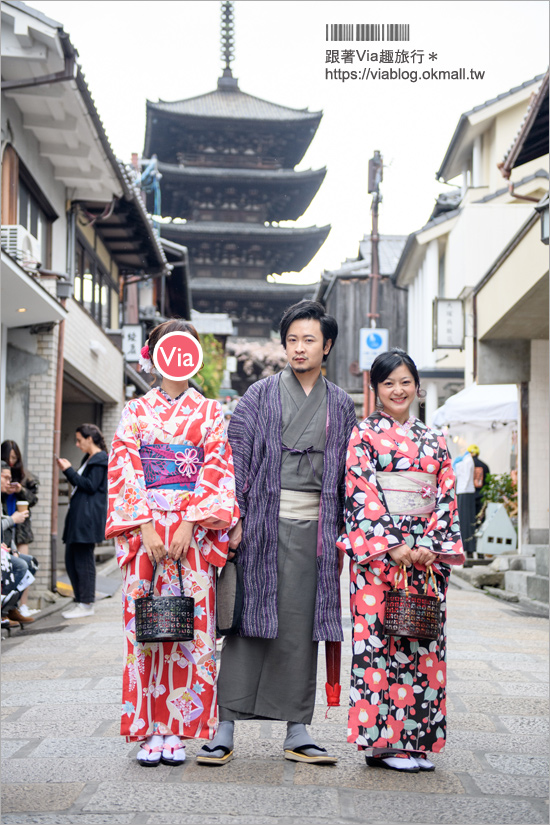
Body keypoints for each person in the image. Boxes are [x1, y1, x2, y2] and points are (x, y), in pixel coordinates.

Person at [197, 300, 357, 766]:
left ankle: (298, 728)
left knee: (300, 627)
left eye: (310, 340)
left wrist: (344, 536)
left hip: (316, 534)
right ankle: (224, 725)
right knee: (246, 625)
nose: (300, 348)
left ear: (326, 346)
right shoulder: (258, 396)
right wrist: (236, 519)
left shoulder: (341, 404)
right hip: (260, 528)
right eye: (292, 340)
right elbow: (234, 461)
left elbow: (350, 475)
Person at [105, 319, 239, 767]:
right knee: (147, 630)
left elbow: (217, 469)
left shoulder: (209, 413)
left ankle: (178, 729)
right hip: (144, 537)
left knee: (190, 633)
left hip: (192, 537)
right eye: (168, 347)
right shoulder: (134, 411)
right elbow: (124, 466)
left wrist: (188, 525)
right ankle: (149, 729)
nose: (177, 357)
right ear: (154, 353)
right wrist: (143, 526)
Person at [337, 348, 465, 773]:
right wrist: (391, 544)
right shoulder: (363, 435)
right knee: (379, 644)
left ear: (417, 386)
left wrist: (430, 542)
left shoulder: (435, 438)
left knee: (422, 642)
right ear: (375, 390)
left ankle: (416, 740)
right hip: (380, 559)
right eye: (388, 383)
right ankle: (382, 742)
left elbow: (445, 495)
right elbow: (360, 492)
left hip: (425, 557)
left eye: (405, 381)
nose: (398, 390)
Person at [56, 424, 108, 619]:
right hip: (80, 518)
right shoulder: (91, 458)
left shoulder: (101, 459)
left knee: (83, 562)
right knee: (72, 560)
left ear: (89, 439)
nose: (77, 444)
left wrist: (69, 470)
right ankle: (81, 601)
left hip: (87, 519)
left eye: (79, 440)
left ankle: (86, 603)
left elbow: (89, 486)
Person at [1, 441, 39, 617]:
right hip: (7, 523)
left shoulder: (24, 476)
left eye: (14, 458)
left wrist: (20, 490)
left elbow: (33, 499)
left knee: (26, 562)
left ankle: (17, 607)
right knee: (17, 565)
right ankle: (6, 609)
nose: (11, 461)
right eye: (8, 457)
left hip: (19, 527)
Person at [453, 449, 476, 557]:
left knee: (465, 521)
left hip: (465, 491)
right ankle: (465, 548)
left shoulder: (467, 461)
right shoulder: (466, 460)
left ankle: (468, 548)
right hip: (464, 491)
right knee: (462, 521)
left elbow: (464, 477)